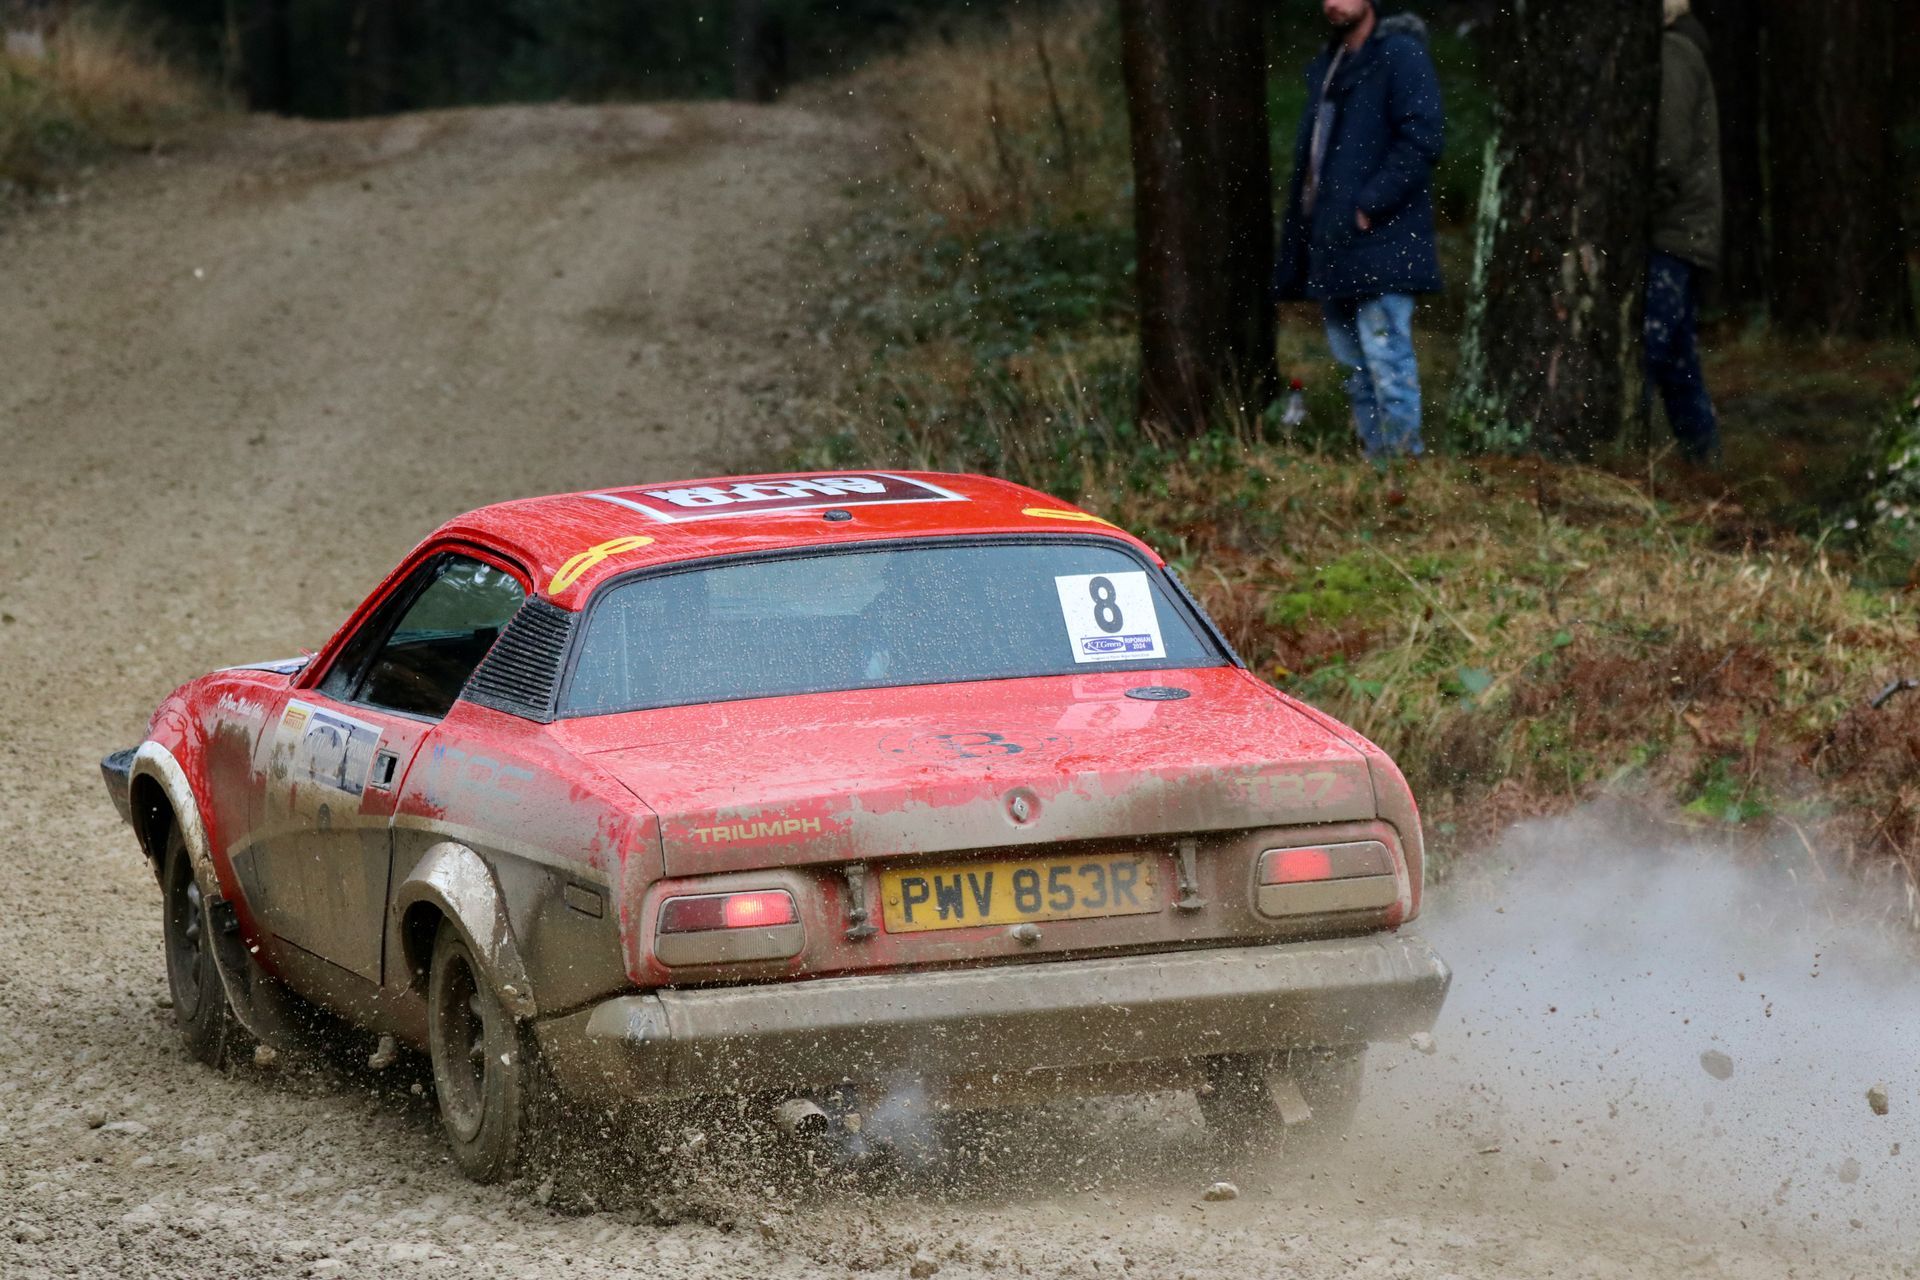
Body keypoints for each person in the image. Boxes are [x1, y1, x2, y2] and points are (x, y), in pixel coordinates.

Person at [1275, 0, 1445, 464]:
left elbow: (1424, 136)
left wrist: (1371, 202)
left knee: (1386, 360)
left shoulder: (1399, 55)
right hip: (1336, 244)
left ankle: (1402, 466)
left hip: (1381, 242)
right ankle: (1380, 463)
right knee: (1356, 365)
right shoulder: (1332, 66)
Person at [1648, 0, 1723, 467]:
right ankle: (1705, 464)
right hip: (1679, 231)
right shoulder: (1677, 48)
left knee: (1649, 354)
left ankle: (1622, 463)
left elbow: (1668, 155)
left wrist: (1633, 217)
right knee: (1677, 362)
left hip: (1673, 233)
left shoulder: (1674, 52)